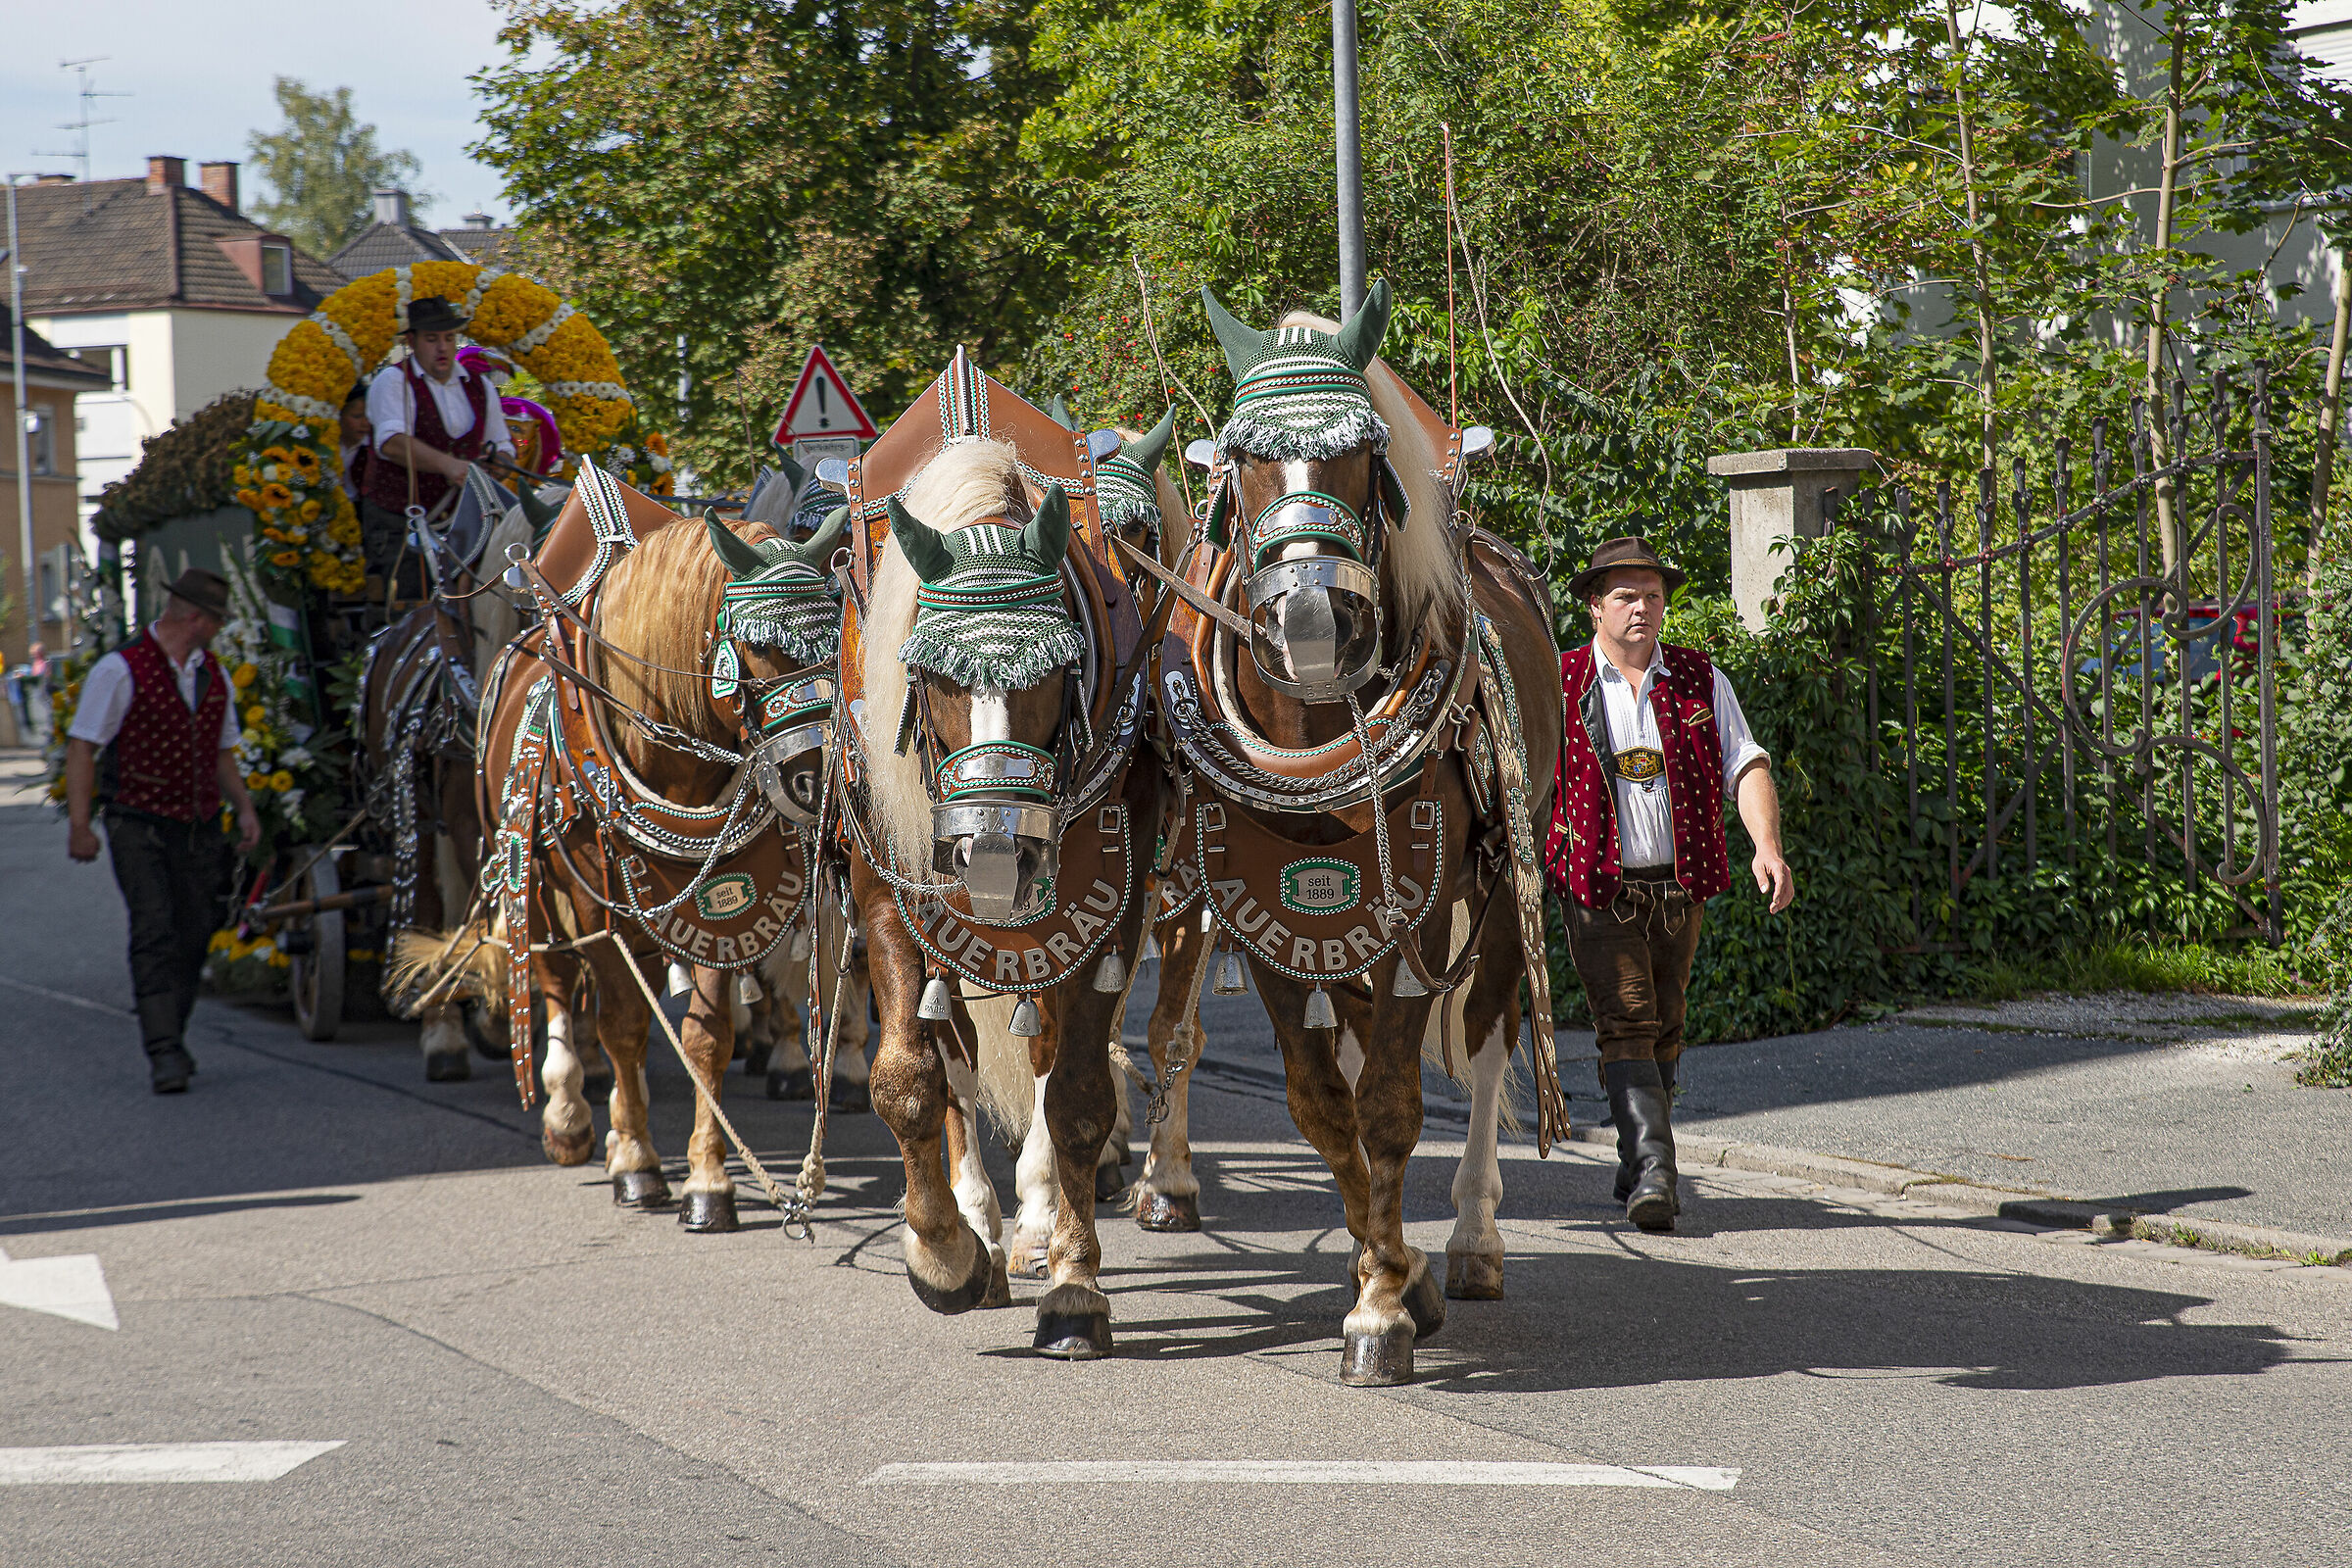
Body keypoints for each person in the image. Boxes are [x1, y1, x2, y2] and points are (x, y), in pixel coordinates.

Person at [1543, 536, 1794, 1232]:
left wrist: (1766, 845)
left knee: (1667, 1027)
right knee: (1626, 1019)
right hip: (1599, 888)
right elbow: (1523, 784)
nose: (1643, 608)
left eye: (1653, 596)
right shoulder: (1559, 681)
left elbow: (1746, 764)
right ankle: (1657, 1173)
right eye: (1626, 596)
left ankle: (1633, 1159)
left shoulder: (1698, 678)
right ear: (1595, 607)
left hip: (1681, 889)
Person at [64, 569, 263, 1094]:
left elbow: (222, 753)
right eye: (217, 620)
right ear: (196, 618)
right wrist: (81, 826)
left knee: (196, 931)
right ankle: (164, 1051)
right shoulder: (120, 669)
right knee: (154, 929)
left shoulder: (212, 674)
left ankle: (172, 1031)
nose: (219, 629)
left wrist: (244, 808)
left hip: (197, 824)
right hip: (138, 820)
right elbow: (84, 746)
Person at [361, 294, 514, 582]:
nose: (442, 347)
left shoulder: (480, 385)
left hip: (467, 521)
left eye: (448, 337)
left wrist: (499, 464)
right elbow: (391, 442)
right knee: (414, 612)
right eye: (432, 339)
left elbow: (502, 444)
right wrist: (451, 467)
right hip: (400, 522)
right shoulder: (394, 381)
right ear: (411, 341)